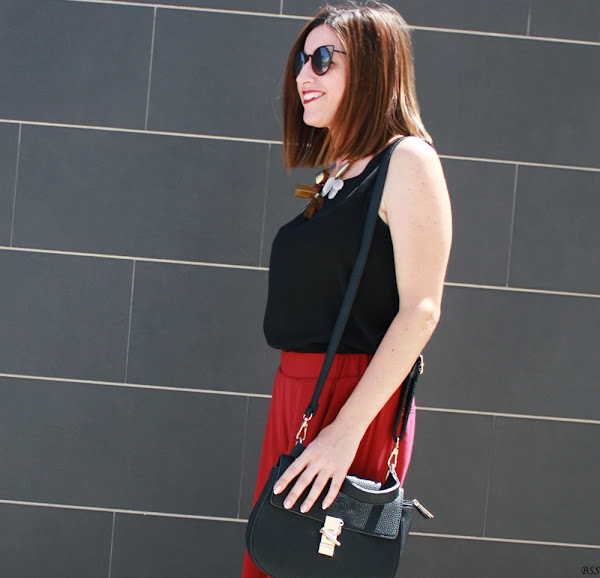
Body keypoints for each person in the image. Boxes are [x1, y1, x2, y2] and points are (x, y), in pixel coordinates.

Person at [242, 3, 452, 576]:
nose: (302, 76)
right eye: (300, 61)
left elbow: (422, 309)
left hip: (352, 400)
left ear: (373, 66)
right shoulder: (338, 171)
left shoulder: (406, 160)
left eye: (322, 59)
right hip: (298, 393)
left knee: (316, 562)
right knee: (277, 557)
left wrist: (344, 433)